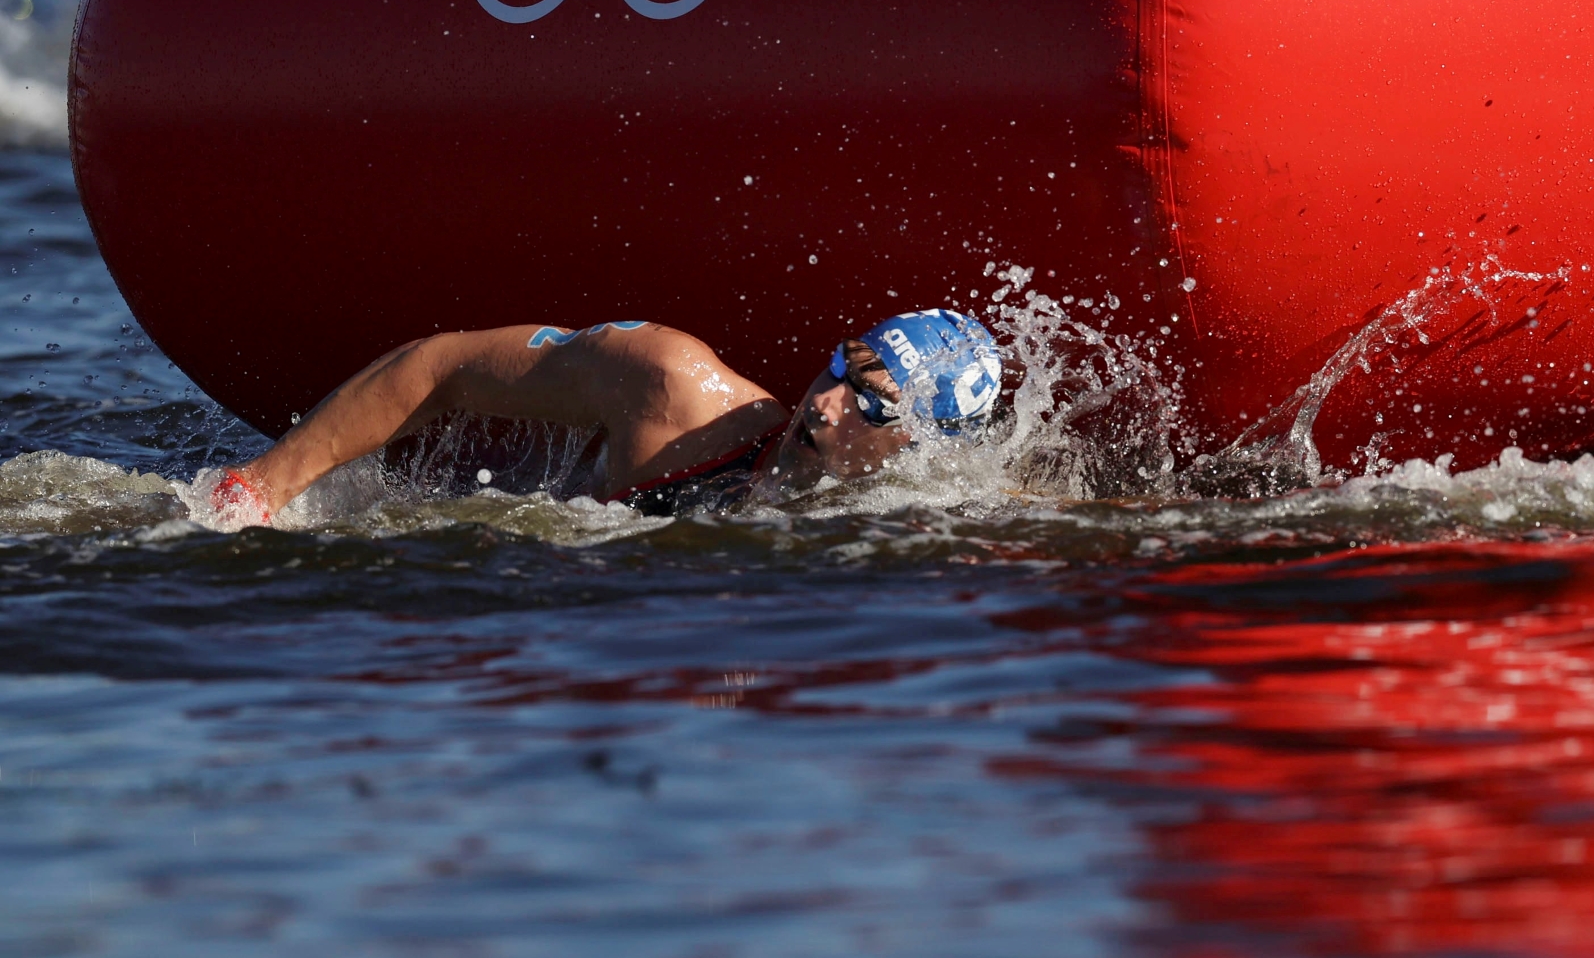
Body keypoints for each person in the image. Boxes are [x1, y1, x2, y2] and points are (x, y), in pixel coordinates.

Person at [208, 309, 1005, 524]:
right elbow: (440, 366)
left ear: (922, 448)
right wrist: (259, 488)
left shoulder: (929, 521)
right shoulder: (677, 392)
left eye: (872, 404)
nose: (826, 402)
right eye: (839, 368)